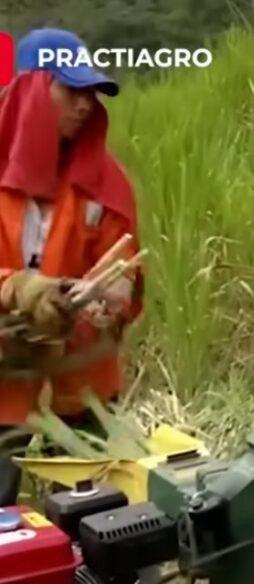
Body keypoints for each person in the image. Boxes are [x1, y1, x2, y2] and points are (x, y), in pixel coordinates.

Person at [0, 28, 144, 505]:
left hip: (84, 392)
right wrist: (21, 290)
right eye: (71, 90)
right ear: (31, 90)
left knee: (105, 517)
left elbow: (122, 264)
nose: (85, 105)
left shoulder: (108, 183)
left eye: (92, 93)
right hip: (5, 386)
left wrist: (115, 298)